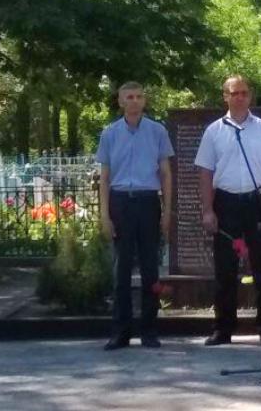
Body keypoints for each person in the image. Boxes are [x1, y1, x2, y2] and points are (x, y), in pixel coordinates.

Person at [195, 75, 261, 345]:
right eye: (234, 93)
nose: (240, 97)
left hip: (256, 201)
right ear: (225, 96)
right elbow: (205, 173)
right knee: (225, 269)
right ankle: (223, 329)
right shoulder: (214, 131)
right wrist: (208, 210)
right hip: (226, 202)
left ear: (250, 96)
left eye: (244, 93)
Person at [97, 82, 174, 350]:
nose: (134, 101)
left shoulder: (157, 131)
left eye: (139, 96)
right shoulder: (109, 133)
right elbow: (104, 178)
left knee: (151, 269)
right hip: (120, 202)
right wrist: (104, 215)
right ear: (120, 101)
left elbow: (165, 173)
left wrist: (167, 211)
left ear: (144, 101)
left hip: (147, 202)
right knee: (121, 270)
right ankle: (120, 331)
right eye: (129, 97)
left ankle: (150, 331)